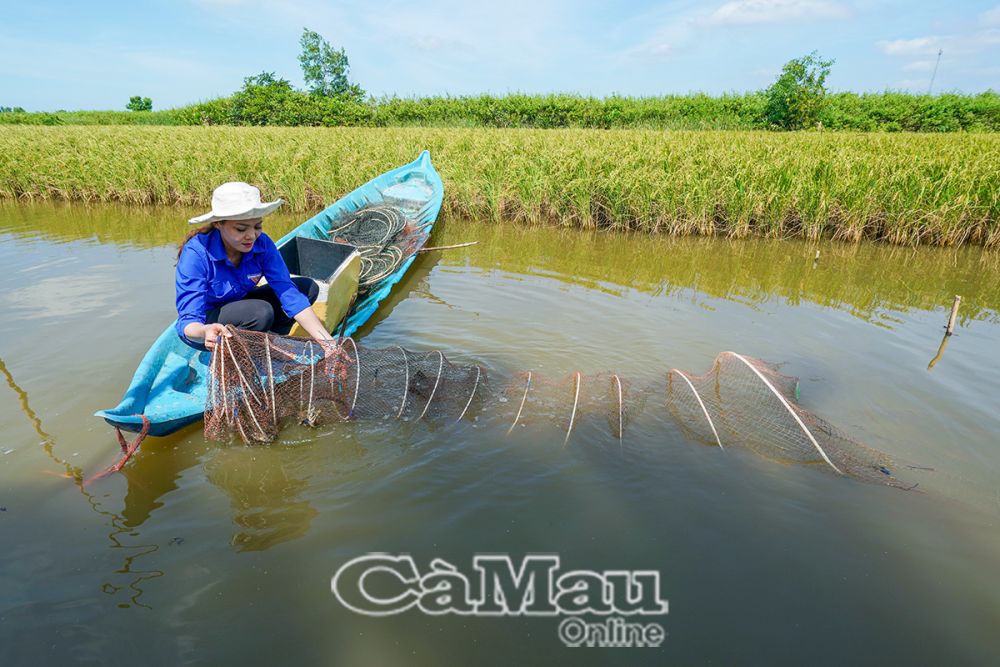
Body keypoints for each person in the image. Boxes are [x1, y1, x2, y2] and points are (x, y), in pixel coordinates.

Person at [175, 181, 337, 353]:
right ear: (218, 224)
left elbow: (288, 292)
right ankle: (240, 353)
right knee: (260, 312)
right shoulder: (196, 254)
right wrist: (205, 331)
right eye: (240, 229)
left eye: (257, 226)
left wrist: (328, 343)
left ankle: (268, 340)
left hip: (241, 306)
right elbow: (188, 322)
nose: (251, 236)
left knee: (306, 288)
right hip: (208, 326)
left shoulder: (262, 244)